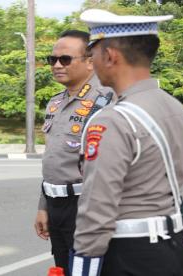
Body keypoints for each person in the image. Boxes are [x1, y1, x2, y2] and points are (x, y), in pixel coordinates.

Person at [69, 9, 183, 276]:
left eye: (93, 56)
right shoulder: (175, 108)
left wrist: (82, 268)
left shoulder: (112, 120)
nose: (93, 64)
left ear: (110, 56)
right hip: (174, 249)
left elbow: (96, 210)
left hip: (130, 256)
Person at [33, 30, 113, 275]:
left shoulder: (108, 100)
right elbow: (54, 160)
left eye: (65, 59)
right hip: (56, 204)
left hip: (87, 205)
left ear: (90, 61)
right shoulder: (55, 102)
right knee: (64, 269)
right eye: (52, 60)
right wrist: (44, 206)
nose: (56, 65)